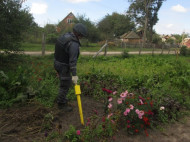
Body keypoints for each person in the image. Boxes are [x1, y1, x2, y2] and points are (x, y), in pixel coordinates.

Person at [54, 23, 87, 111]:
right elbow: (72, 61)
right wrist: (74, 75)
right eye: (82, 36)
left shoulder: (65, 36)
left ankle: (62, 99)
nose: (82, 37)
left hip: (57, 62)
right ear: (79, 34)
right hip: (64, 66)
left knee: (63, 82)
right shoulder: (74, 44)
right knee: (65, 85)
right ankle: (61, 104)